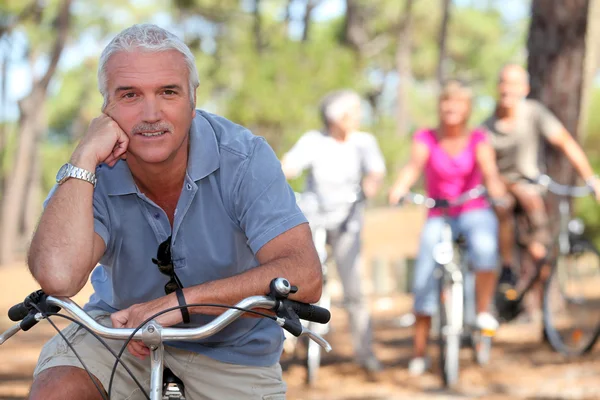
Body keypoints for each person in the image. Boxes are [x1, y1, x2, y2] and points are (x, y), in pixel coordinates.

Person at [26, 24, 322, 400]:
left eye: (168, 92)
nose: (152, 113)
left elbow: (305, 274)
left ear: (193, 100)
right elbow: (57, 277)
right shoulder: (93, 169)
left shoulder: (245, 158)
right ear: (106, 107)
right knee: (57, 391)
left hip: (233, 349)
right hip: (119, 334)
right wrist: (83, 157)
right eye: (130, 95)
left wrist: (178, 305)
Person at [388, 80, 506, 375]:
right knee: (425, 272)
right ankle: (419, 351)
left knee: (484, 249)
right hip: (438, 212)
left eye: (458, 102)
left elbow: (490, 172)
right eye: (446, 101)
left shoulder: (478, 138)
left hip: (472, 209)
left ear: (467, 109)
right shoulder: (426, 137)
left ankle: (481, 312)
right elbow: (413, 166)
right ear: (440, 106)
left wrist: (498, 192)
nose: (450, 107)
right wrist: (399, 187)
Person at [482, 64, 600, 317]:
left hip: (532, 190)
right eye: (504, 82)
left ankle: (537, 307)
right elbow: (486, 167)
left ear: (524, 89)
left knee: (540, 250)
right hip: (500, 191)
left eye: (514, 84)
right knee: (503, 208)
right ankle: (506, 269)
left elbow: (566, 143)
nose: (508, 89)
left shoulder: (534, 113)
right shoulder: (486, 126)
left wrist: (591, 179)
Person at [281, 90, 386, 374]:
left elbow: (376, 172)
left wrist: (369, 188)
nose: (357, 117)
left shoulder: (364, 142)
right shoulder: (314, 141)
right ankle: (290, 337)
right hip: (315, 216)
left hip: (349, 219)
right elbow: (289, 165)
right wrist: (277, 175)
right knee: (301, 279)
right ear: (335, 117)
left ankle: (365, 353)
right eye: (351, 112)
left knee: (354, 286)